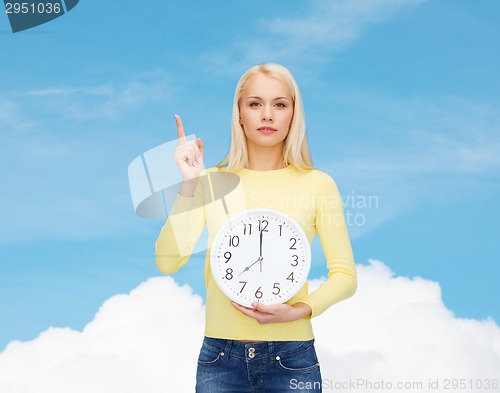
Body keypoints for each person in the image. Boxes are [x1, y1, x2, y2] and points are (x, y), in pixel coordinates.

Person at [155, 63, 357, 392]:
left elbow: (346, 276)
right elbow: (168, 261)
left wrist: (298, 312)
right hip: (220, 359)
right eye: (255, 104)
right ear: (239, 114)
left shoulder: (318, 185)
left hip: (292, 358)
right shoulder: (211, 181)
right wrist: (189, 184)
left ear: (293, 114)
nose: (267, 115)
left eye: (279, 104)